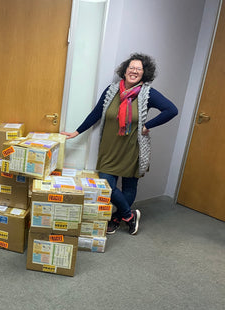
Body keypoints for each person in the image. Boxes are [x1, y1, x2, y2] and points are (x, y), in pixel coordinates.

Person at [62, 53, 178, 236]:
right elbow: (96, 113)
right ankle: (129, 216)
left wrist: (148, 125)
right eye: (131, 67)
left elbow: (171, 110)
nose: (134, 71)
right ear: (124, 71)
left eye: (138, 69)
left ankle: (116, 218)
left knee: (130, 187)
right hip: (109, 148)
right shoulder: (112, 90)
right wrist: (76, 132)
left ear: (144, 73)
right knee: (107, 184)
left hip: (133, 149)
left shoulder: (147, 93)